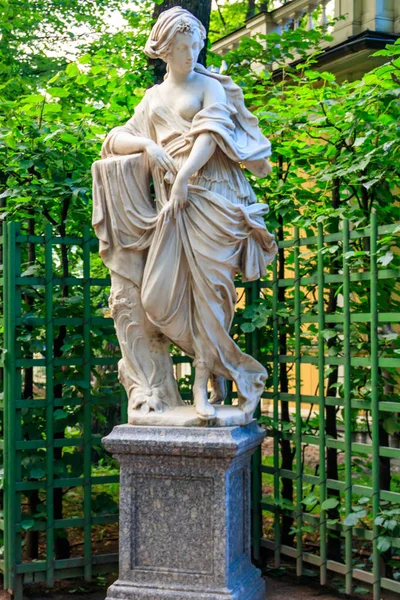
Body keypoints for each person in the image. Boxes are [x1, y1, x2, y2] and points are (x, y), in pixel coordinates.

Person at [92, 7, 277, 423]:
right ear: (164, 50)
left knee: (210, 299)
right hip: (172, 210)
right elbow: (115, 140)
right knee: (157, 298)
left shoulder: (209, 87)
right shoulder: (153, 98)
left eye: (195, 45)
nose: (191, 53)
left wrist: (183, 179)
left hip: (210, 199)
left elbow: (212, 135)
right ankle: (234, 370)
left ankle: (202, 388)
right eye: (182, 46)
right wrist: (147, 147)